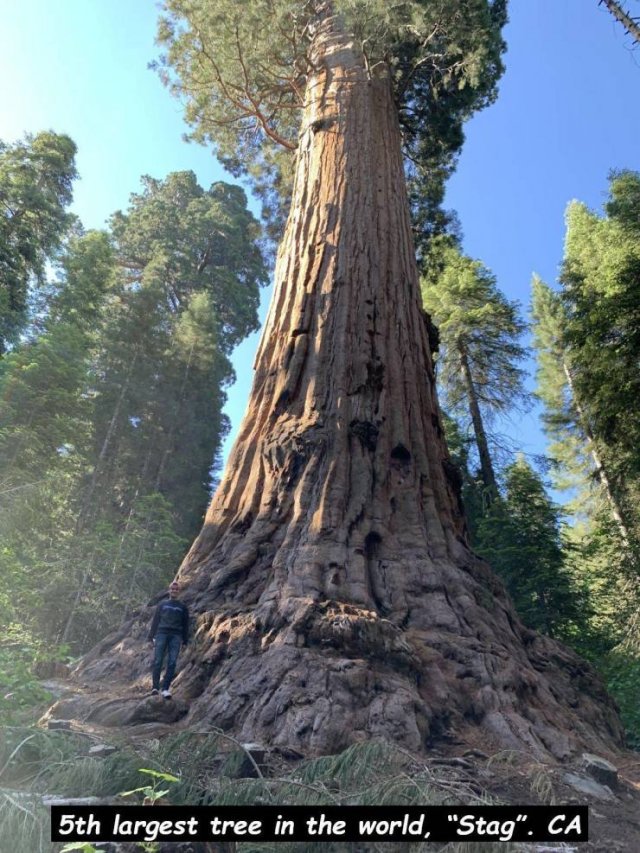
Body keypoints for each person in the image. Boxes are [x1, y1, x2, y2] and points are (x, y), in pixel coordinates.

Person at [148, 580, 189, 699]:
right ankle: (155, 687)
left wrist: (185, 641)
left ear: (179, 591)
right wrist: (150, 637)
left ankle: (165, 689)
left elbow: (185, 624)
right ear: (169, 590)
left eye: (176, 589)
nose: (174, 591)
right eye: (172, 589)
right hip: (162, 633)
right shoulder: (162, 604)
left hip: (176, 636)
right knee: (158, 660)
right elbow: (155, 621)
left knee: (172, 662)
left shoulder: (182, 607)